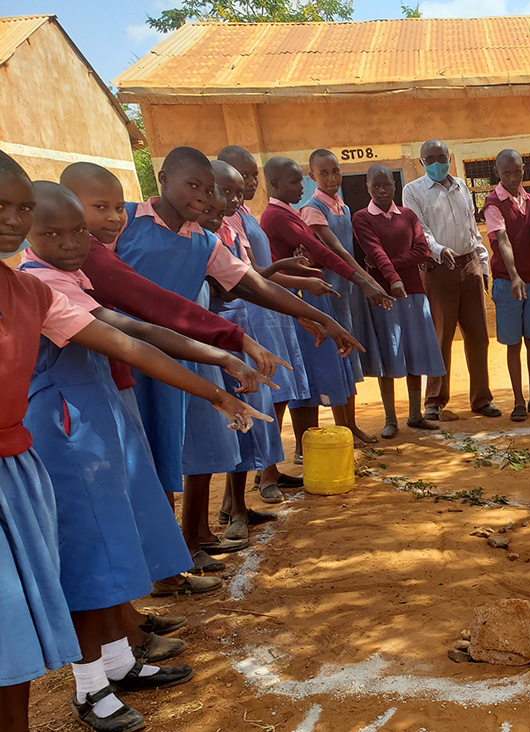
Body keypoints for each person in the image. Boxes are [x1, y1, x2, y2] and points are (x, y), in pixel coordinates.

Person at [18, 181, 270, 732]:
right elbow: (131, 337)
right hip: (67, 435)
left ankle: (118, 659)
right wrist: (218, 384)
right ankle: (90, 690)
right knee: (88, 559)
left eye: (78, 230)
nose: (70, 241)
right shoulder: (43, 287)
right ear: (29, 236)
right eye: (52, 232)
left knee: (111, 547)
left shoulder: (70, 276)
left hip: (92, 424)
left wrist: (218, 360)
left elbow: (141, 328)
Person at [115, 148, 361, 569]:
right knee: (148, 459)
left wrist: (320, 317)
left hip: (190, 354)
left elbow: (253, 285)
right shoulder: (124, 222)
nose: (204, 197)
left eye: (209, 190)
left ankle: (189, 541)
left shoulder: (205, 241)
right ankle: (162, 561)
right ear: (163, 179)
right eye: (194, 185)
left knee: (197, 447)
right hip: (129, 358)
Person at [259, 156, 375, 473]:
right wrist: (363, 281)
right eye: (296, 181)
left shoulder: (288, 213)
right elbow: (321, 250)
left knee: (315, 374)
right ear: (275, 184)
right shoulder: (276, 216)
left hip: (309, 294)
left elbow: (311, 253)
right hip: (298, 299)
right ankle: (300, 446)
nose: (302, 186)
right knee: (305, 375)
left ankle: (308, 442)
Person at [217, 145, 313, 501]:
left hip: (269, 310)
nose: (250, 182)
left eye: (253, 175)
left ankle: (270, 466)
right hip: (250, 314)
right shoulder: (222, 222)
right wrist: (293, 277)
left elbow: (258, 270)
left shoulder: (244, 215)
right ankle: (262, 474)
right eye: (243, 176)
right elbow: (244, 277)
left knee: (280, 389)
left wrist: (288, 272)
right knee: (263, 391)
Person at [403, 139, 499, 420]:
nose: (436, 164)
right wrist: (438, 250)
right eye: (429, 159)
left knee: (479, 336)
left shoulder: (461, 187)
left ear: (449, 157)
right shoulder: (413, 191)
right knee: (441, 337)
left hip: (468, 265)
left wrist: (482, 266)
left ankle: (482, 398)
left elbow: (473, 230)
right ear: (422, 162)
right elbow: (420, 229)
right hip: (438, 270)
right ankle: (434, 400)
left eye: (441, 157)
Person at [301, 149, 389, 444]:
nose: (331, 178)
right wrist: (365, 280)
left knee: (351, 357)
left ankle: (351, 424)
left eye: (335, 172)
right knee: (340, 356)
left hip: (349, 290)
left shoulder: (342, 206)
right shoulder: (313, 209)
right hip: (332, 290)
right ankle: (343, 426)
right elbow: (335, 249)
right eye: (323, 174)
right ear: (312, 176)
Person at [352, 164, 446, 433]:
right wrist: (392, 278)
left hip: (414, 293)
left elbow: (422, 251)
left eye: (387, 185)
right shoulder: (362, 218)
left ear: (394, 186)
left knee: (415, 353)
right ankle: (390, 419)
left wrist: (390, 267)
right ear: (367, 188)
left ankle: (415, 414)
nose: (382, 190)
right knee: (389, 355)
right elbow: (374, 250)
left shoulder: (408, 215)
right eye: (376, 186)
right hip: (384, 296)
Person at [482, 149, 530, 421]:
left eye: (517, 172)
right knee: (513, 344)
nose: (512, 178)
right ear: (497, 174)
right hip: (508, 283)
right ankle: (518, 401)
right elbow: (502, 240)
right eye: (506, 173)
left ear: (524, 170)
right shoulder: (493, 204)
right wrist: (514, 276)